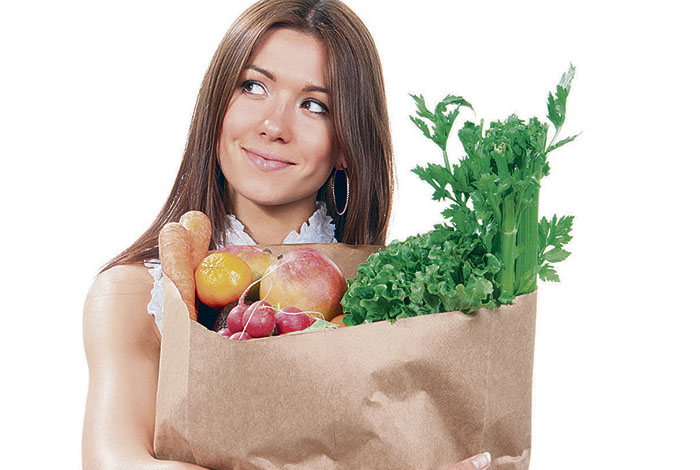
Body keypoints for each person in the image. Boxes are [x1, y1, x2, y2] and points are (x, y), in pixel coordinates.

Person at [81, 1, 491, 469]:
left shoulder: (387, 303)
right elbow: (117, 463)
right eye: (253, 86)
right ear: (216, 106)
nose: (274, 126)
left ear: (346, 144)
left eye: (314, 105)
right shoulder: (135, 296)